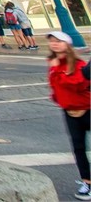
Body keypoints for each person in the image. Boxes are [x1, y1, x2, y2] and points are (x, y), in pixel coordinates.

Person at [46, 30, 90, 200]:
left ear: (67, 45)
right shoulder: (53, 63)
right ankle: (87, 182)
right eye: (52, 41)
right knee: (78, 148)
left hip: (87, 109)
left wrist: (56, 70)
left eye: (59, 41)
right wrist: (60, 100)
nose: (55, 44)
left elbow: (77, 83)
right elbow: (55, 87)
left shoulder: (78, 64)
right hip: (70, 112)